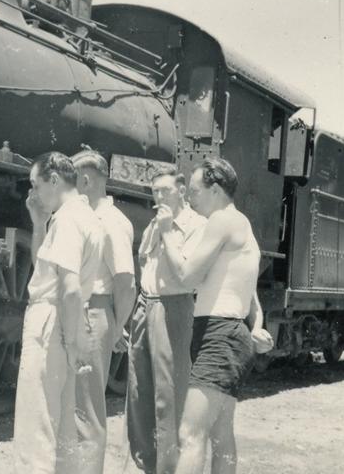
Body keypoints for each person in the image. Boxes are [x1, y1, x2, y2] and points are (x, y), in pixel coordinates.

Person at [156, 157, 274, 474]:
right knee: (220, 435)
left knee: (190, 434)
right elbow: (253, 301)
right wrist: (256, 329)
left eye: (195, 190)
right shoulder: (242, 227)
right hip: (228, 333)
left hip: (218, 335)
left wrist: (167, 232)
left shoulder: (222, 221)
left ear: (216, 189)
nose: (190, 197)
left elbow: (187, 276)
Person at [13, 151, 105, 474]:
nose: (33, 194)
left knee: (36, 426)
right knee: (62, 426)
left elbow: (68, 288)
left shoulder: (67, 220)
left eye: (35, 185)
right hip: (67, 318)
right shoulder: (85, 218)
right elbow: (48, 270)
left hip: (52, 322)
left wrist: (68, 343)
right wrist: (38, 224)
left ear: (53, 180)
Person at [125, 163, 206, 474]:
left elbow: (187, 277)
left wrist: (169, 230)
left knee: (169, 397)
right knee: (138, 390)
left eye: (165, 190)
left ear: (182, 190)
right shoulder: (154, 223)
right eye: (154, 191)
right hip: (146, 306)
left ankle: (168, 468)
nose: (158, 196)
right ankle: (145, 464)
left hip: (174, 308)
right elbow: (143, 261)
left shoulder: (196, 225)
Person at [71, 150, 136, 474]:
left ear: (85, 180)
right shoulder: (89, 219)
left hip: (94, 315)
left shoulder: (113, 223)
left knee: (87, 414)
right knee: (73, 410)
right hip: (82, 315)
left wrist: (117, 328)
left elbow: (126, 283)